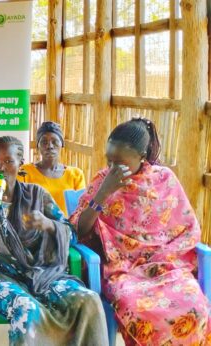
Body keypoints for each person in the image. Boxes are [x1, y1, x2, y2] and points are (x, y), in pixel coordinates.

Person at [71, 118, 211, 344]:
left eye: (120, 163)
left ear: (142, 157)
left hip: (167, 267)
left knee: (194, 308)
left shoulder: (164, 179)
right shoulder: (101, 180)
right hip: (123, 271)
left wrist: (159, 259)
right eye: (108, 160)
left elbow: (185, 228)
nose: (111, 168)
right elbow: (78, 229)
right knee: (145, 314)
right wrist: (103, 194)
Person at [0, 136, 107, 345]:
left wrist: (48, 224)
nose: (0, 167)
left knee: (88, 300)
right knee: (27, 309)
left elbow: (70, 232)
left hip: (38, 271)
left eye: (8, 161)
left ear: (20, 164)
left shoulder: (37, 195)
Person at [18, 121, 85, 216]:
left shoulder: (76, 174)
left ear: (62, 144)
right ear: (38, 146)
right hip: (34, 228)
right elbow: (19, 205)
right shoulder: (24, 172)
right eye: (44, 142)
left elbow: (80, 209)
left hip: (65, 228)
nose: (49, 146)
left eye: (54, 141)